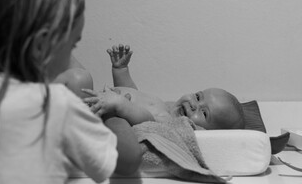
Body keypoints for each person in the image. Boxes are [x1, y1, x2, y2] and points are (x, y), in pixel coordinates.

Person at [0, 0, 141, 184]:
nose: (71, 58)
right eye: (72, 46)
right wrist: (114, 110)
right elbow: (127, 161)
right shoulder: (52, 104)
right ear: (41, 45)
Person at [83, 44, 245, 130]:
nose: (194, 104)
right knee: (78, 79)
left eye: (204, 113)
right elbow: (134, 94)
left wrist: (120, 104)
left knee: (80, 77)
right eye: (197, 96)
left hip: (95, 112)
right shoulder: (166, 106)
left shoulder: (170, 124)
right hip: (97, 102)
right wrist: (121, 71)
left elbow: (145, 121)